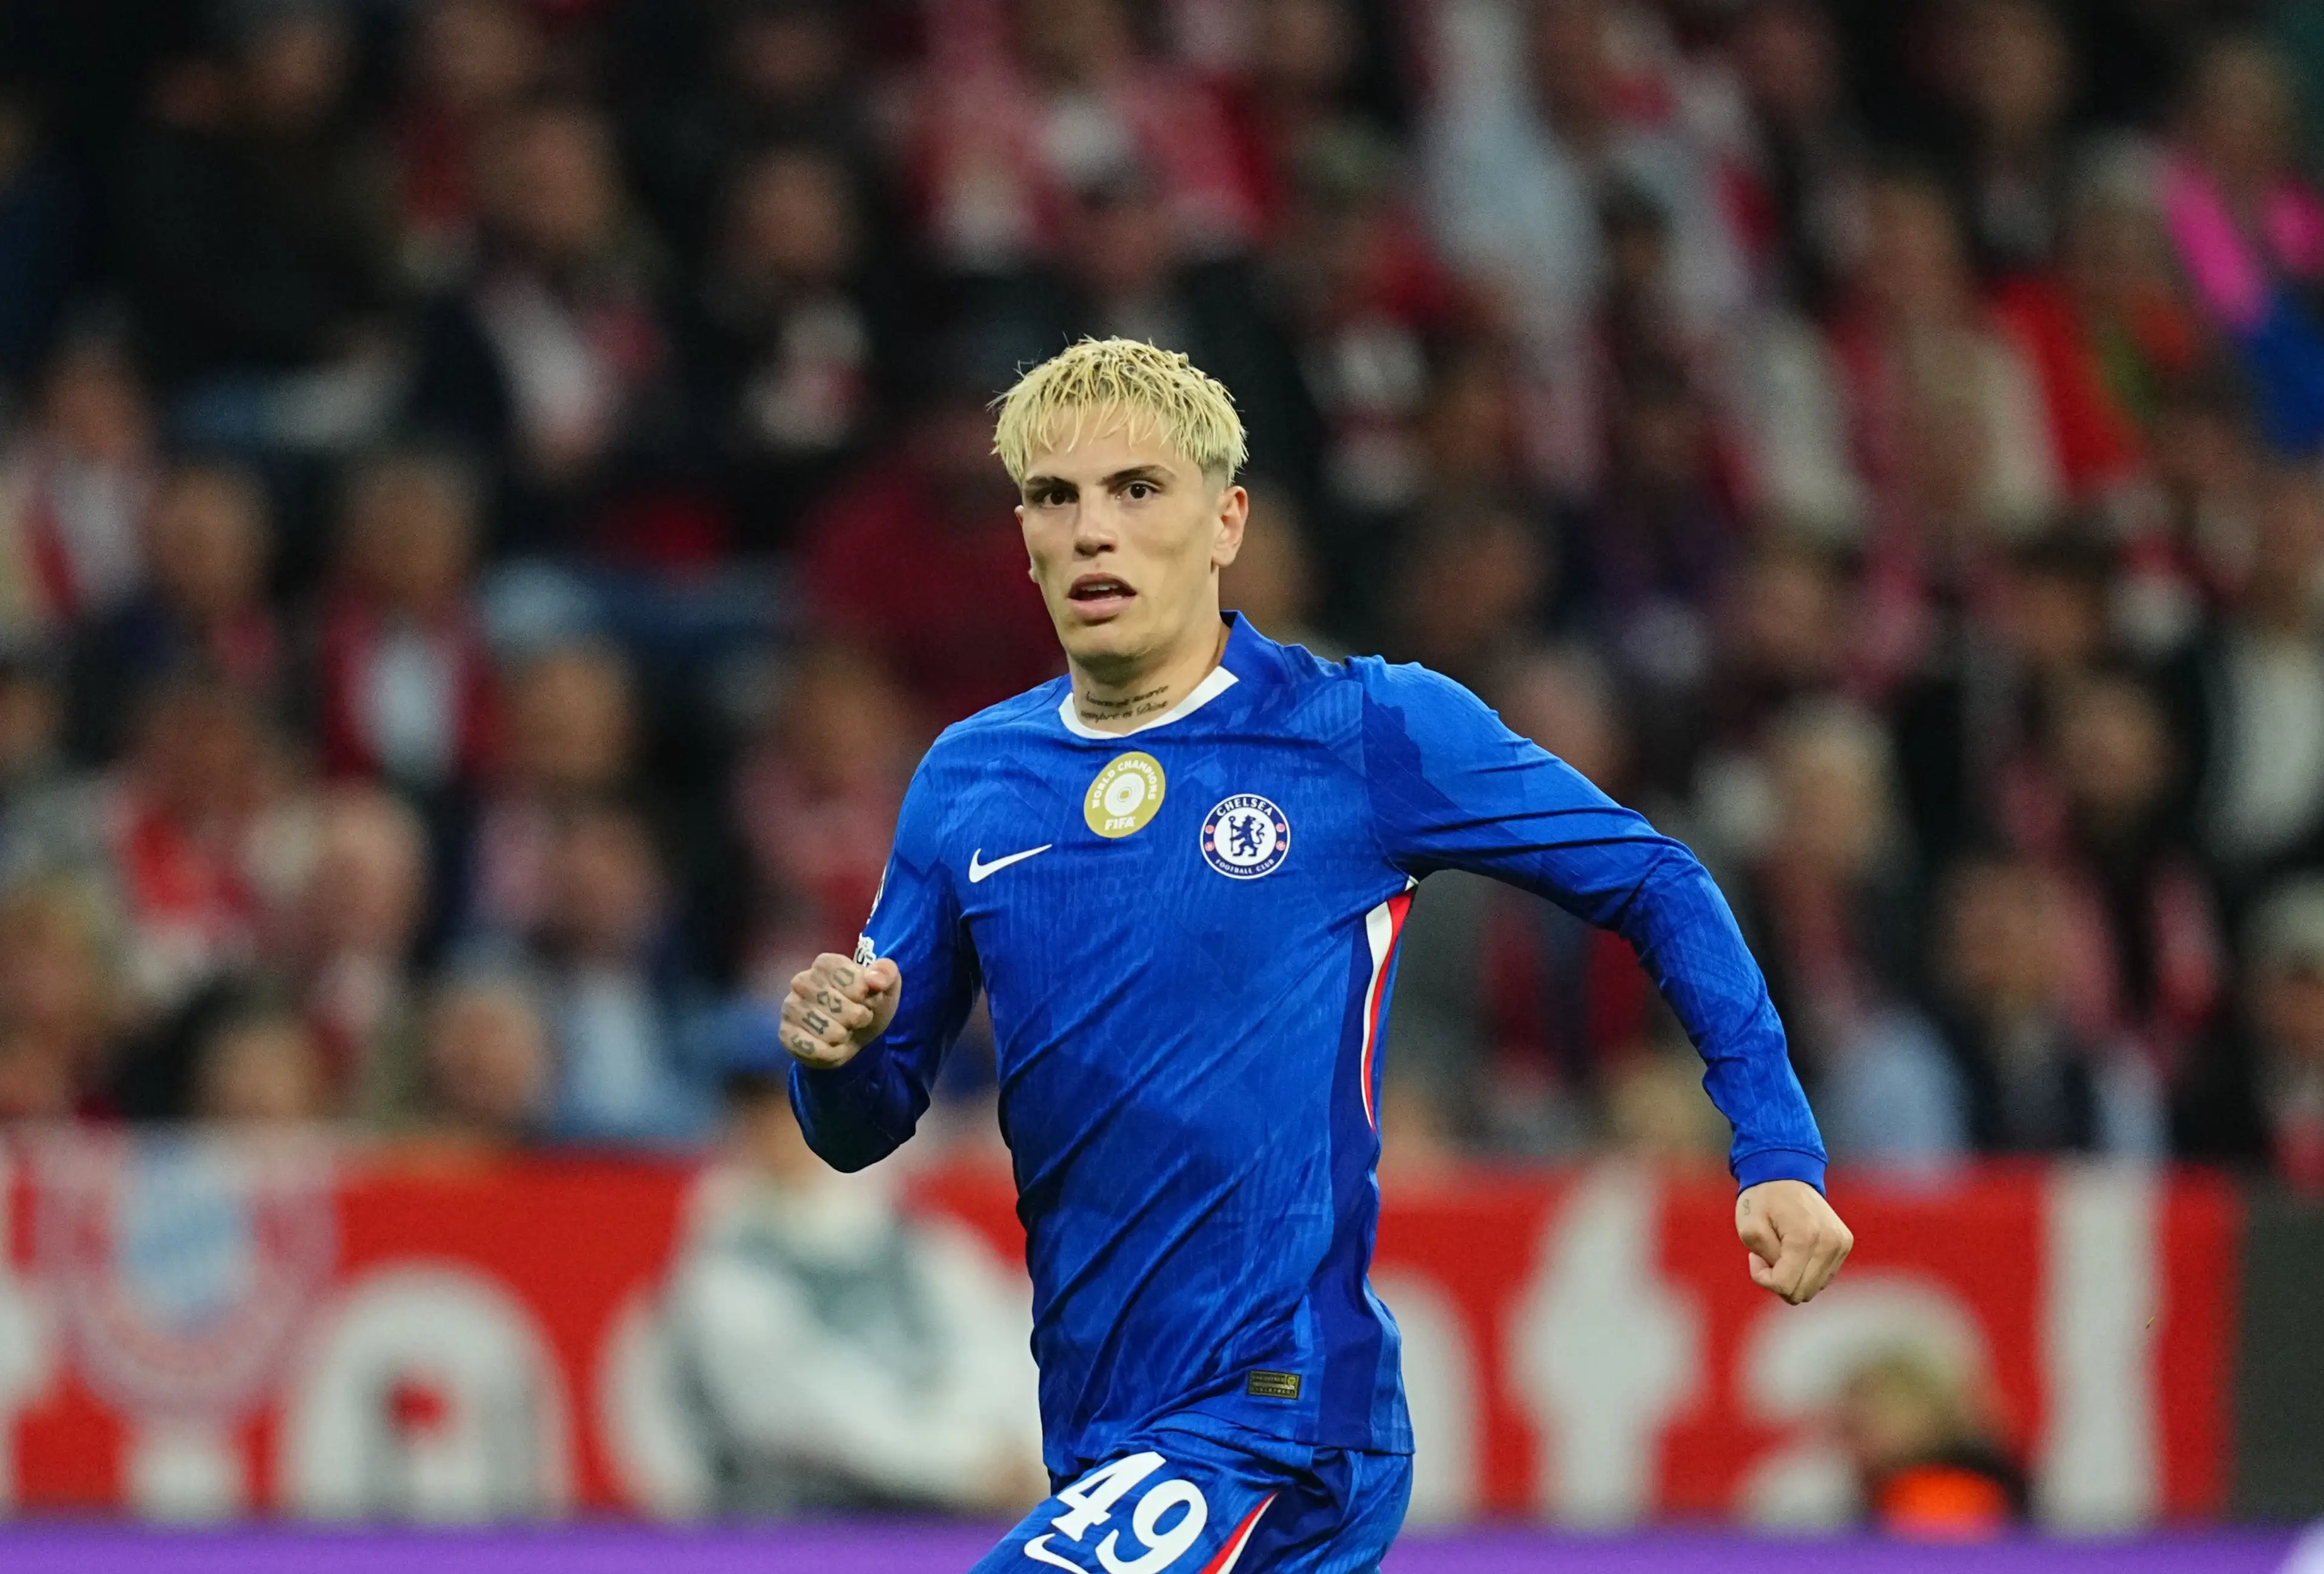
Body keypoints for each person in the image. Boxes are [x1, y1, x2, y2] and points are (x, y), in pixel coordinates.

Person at [777, 338, 1853, 1571]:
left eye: (1138, 490)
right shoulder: (969, 782)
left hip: (1282, 1419)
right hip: (1103, 1432)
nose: (1091, 531)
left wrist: (1775, 1146)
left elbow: (1656, 878)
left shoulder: (1361, 730)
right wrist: (835, 1056)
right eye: (1054, 497)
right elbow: (858, 1127)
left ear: (1226, 520)